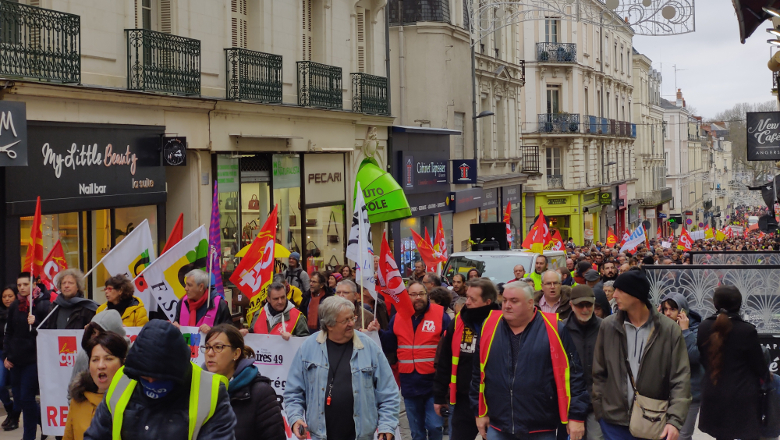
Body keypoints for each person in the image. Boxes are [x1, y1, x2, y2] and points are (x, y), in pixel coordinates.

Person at [469, 281, 589, 440]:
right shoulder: (489, 326)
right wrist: (479, 411)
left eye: (514, 301)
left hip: (540, 428)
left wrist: (576, 416)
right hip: (499, 425)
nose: (507, 306)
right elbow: (479, 373)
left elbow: (574, 375)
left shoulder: (553, 328)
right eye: (504, 300)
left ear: (530, 303)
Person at [84, 320, 236, 440]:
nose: (151, 382)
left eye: (158, 377)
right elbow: (96, 434)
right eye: (144, 377)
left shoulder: (210, 391)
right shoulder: (122, 381)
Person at [592, 270, 691, 440]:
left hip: (653, 421)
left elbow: (680, 378)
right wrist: (600, 411)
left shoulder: (668, 329)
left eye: (620, 291)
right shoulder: (608, 326)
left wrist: (674, 421)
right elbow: (599, 372)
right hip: (613, 423)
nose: (614, 295)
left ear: (636, 295)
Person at [285, 296, 400, 440]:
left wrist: (386, 426)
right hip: (320, 436)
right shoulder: (308, 348)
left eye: (352, 318)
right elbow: (293, 392)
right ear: (329, 325)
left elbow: (389, 392)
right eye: (346, 320)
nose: (352, 323)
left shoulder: (369, 347)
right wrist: (295, 418)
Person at [374, 281, 451, 440]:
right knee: (416, 432)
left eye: (421, 294)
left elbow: (449, 346)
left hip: (434, 383)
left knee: (435, 427)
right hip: (409, 384)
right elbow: (389, 345)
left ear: (427, 295)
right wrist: (378, 333)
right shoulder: (398, 317)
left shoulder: (440, 315)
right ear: (408, 297)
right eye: (414, 294)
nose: (418, 298)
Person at [697, 285, 770, 440]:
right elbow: (759, 366)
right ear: (739, 304)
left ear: (715, 304)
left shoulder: (703, 327)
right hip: (742, 396)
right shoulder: (746, 330)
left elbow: (703, 360)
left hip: (713, 393)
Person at [433, 278, 500, 440]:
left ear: (488, 301)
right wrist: (439, 396)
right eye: (467, 297)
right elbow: (444, 360)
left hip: (495, 402)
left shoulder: (502, 323)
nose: (467, 302)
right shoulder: (458, 323)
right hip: (463, 400)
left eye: (472, 299)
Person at [204, 324, 286, 440]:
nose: (210, 353)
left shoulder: (261, 393)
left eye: (218, 347)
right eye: (207, 347)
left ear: (236, 353)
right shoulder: (199, 389)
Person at [3, 272, 51, 440]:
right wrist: (7, 355)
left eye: (25, 284)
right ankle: (44, 422)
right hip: (15, 360)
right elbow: (9, 332)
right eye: (19, 285)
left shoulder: (42, 305)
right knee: (21, 400)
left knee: (27, 397)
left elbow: (48, 333)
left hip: (33, 359)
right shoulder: (15, 305)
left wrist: (35, 323)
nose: (22, 288)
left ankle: (28, 436)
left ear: (33, 284)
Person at [64, 332, 128, 440]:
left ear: (123, 363)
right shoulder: (79, 401)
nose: (100, 366)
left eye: (108, 359)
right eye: (95, 360)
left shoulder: (133, 404)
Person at [563, 285, 603, 440]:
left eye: (589, 305)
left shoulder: (605, 327)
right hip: (570, 403)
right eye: (580, 305)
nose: (585, 309)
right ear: (571, 305)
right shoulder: (562, 329)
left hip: (597, 402)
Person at [661, 293, 703, 440]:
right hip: (666, 391)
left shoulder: (696, 329)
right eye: (665, 309)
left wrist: (685, 331)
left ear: (683, 311)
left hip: (690, 392)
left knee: (682, 436)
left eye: (672, 309)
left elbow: (694, 357)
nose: (667, 313)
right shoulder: (663, 327)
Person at [70, 309, 128, 383]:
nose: (101, 366)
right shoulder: (84, 355)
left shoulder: (133, 354)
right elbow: (72, 390)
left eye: (108, 359)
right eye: (93, 332)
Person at [173, 269, 232, 334]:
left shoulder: (220, 304)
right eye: (186, 285)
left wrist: (212, 330)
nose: (186, 288)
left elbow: (229, 332)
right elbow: (176, 322)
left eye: (189, 285)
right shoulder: (182, 302)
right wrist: (174, 327)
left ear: (201, 287)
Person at [0, 286, 19, 431]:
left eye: (10, 296)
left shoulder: (20, 312)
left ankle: (15, 416)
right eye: (4, 296)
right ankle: (10, 409)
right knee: (0, 384)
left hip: (15, 355)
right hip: (1, 354)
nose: (7, 299)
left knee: (19, 390)